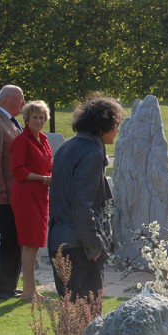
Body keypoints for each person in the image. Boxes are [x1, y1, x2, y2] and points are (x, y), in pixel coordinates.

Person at [48, 96, 123, 301]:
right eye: (115, 124)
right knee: (87, 315)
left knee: (71, 317)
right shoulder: (91, 151)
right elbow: (83, 205)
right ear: (103, 124)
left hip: (59, 239)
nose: (117, 129)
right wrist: (94, 245)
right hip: (77, 245)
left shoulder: (68, 145)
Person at [0, 85, 26, 300]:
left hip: (16, 194)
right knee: (10, 239)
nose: (23, 102)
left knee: (16, 239)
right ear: (8, 98)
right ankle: (3, 290)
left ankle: (9, 286)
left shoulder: (11, 122)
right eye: (20, 98)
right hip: (5, 195)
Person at [10, 100, 52, 302]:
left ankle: (30, 290)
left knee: (34, 243)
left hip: (40, 195)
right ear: (26, 119)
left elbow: (48, 165)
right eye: (34, 117)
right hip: (26, 195)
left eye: (41, 116)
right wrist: (42, 178)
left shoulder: (43, 139)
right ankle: (28, 291)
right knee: (29, 243)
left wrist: (49, 176)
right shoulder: (21, 140)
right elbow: (18, 170)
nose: (38, 120)